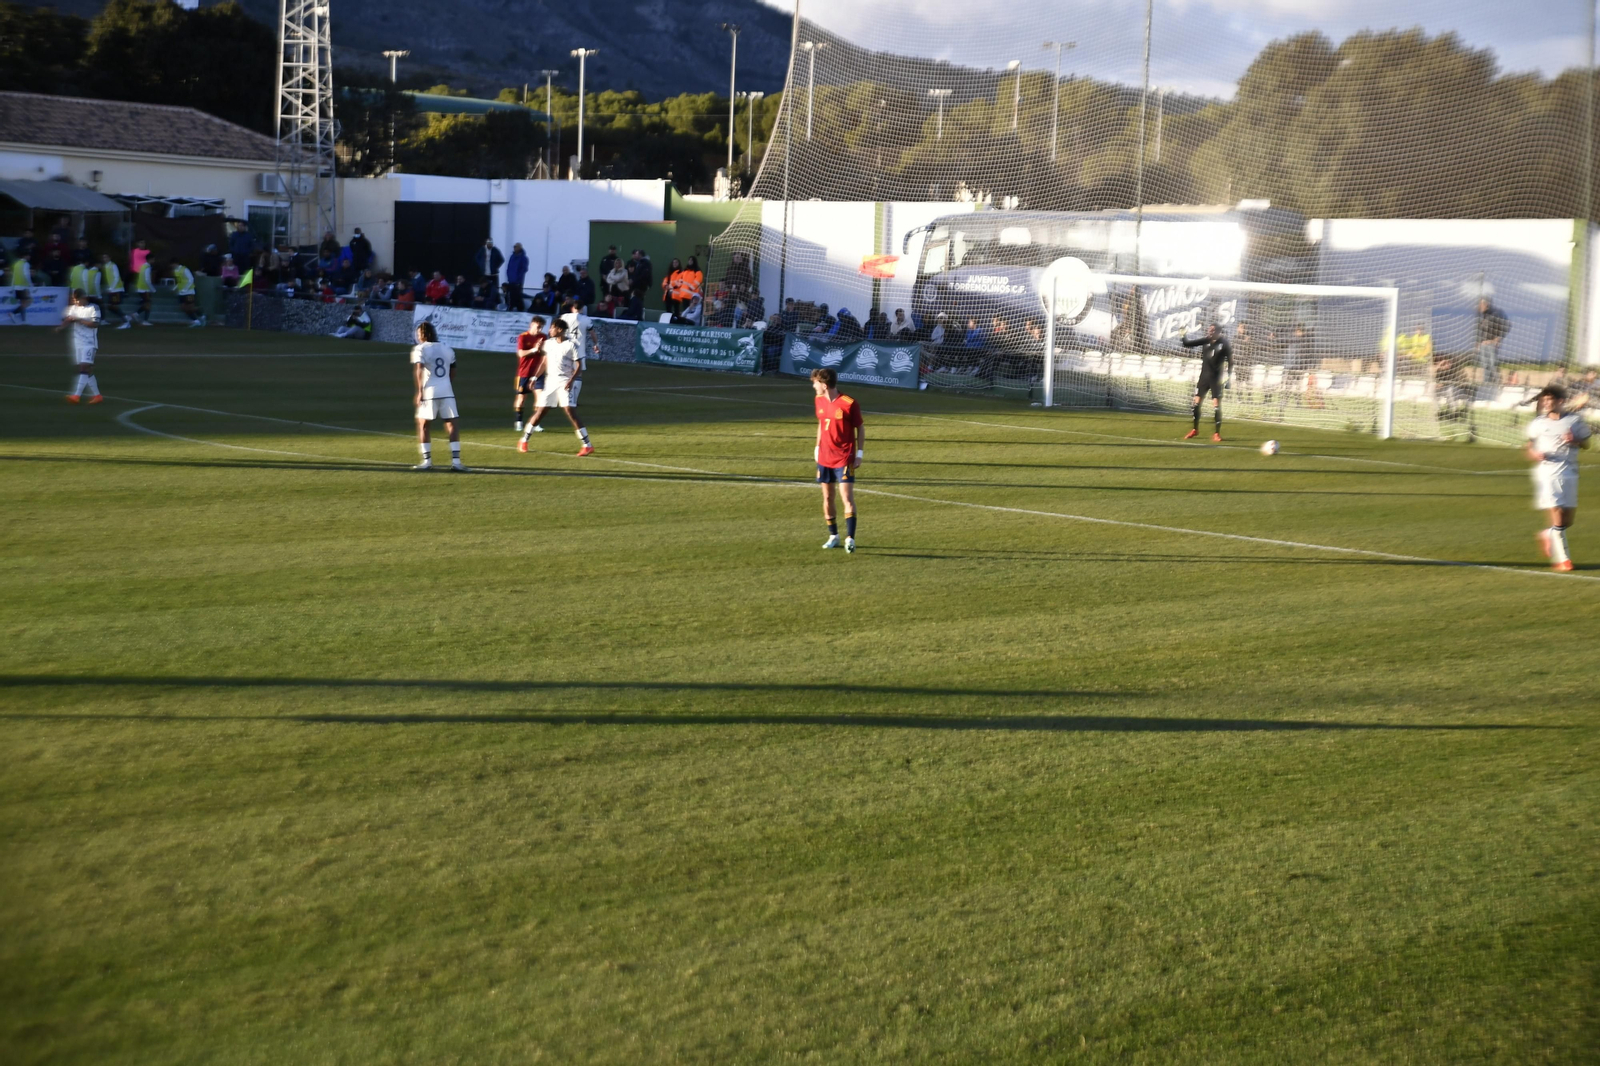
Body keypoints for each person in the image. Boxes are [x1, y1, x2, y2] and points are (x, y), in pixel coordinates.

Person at [1526, 384, 1592, 572]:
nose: (1546, 403)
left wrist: (1575, 440)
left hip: (1570, 472)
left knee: (1566, 521)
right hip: (1547, 473)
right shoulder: (1538, 423)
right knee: (1558, 515)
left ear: (1560, 401)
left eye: (1550, 399)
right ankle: (1564, 560)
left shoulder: (1575, 421)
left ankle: (1548, 533)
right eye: (1544, 400)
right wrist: (1534, 454)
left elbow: (1587, 444)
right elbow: (1530, 445)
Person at [517, 319, 593, 456]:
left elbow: (579, 365)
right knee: (541, 411)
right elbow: (544, 362)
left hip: (564, 381)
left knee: (570, 410)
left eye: (552, 328)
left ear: (560, 330)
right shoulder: (548, 343)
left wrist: (571, 380)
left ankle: (587, 445)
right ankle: (524, 440)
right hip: (550, 382)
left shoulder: (571, 345)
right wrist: (534, 378)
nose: (549, 330)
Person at [812, 366, 863, 553]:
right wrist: (817, 447)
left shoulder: (849, 403)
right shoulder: (819, 400)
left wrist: (860, 454)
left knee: (847, 498)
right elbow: (821, 423)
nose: (814, 386)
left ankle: (850, 538)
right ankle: (833, 535)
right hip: (824, 457)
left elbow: (860, 428)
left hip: (844, 458)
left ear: (824, 385)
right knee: (827, 497)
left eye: (816, 383)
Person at [410, 321, 465, 472]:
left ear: (422, 334)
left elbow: (419, 370)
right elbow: (453, 371)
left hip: (429, 392)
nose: (417, 336)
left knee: (424, 425)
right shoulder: (447, 349)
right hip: (447, 391)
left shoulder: (420, 349)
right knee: (452, 425)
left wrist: (420, 391)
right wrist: (446, 383)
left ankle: (427, 461)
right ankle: (456, 462)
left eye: (418, 334)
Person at [1180, 322, 1232, 441]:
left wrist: (1229, 378)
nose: (1210, 332)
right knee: (1196, 404)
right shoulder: (1205, 341)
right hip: (1204, 378)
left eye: (1213, 330)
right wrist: (1183, 335)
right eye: (1209, 330)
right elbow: (1187, 344)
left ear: (1218, 332)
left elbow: (1230, 361)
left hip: (1216, 380)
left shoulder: (1224, 344)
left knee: (1216, 406)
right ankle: (1195, 429)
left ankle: (1216, 433)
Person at [57, 289, 103, 404]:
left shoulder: (94, 308)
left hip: (89, 343)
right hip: (77, 342)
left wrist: (79, 320)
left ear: (84, 298)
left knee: (83, 367)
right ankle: (97, 396)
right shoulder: (73, 308)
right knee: (86, 370)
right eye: (74, 300)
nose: (76, 302)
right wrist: (61, 327)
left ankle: (76, 396)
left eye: (77, 300)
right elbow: (68, 319)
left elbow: (95, 324)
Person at [513, 315, 548, 432]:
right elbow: (520, 353)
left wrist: (540, 349)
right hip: (524, 372)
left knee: (540, 397)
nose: (539, 330)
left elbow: (544, 353)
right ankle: (518, 422)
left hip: (537, 372)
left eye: (541, 327)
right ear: (532, 325)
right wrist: (533, 349)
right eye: (538, 327)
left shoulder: (543, 337)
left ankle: (535, 423)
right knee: (521, 398)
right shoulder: (523, 337)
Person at [98, 253, 127, 328]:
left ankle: (125, 320)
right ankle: (125, 318)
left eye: (106, 257)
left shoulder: (113, 265)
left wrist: (112, 288)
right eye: (104, 257)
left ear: (110, 258)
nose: (105, 259)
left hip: (116, 289)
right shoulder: (105, 266)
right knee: (110, 306)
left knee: (113, 306)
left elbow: (116, 277)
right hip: (112, 289)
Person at [8, 251, 32, 323]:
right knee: (27, 303)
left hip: (17, 287)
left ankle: (23, 320)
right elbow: (26, 275)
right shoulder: (26, 264)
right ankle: (13, 313)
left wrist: (12, 287)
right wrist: (31, 285)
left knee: (22, 303)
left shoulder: (16, 264)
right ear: (25, 256)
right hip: (23, 286)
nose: (29, 257)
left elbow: (14, 276)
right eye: (28, 255)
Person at [504, 242, 529, 311]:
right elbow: (509, 267)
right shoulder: (512, 257)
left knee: (518, 296)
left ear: (520, 248)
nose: (514, 248)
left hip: (518, 282)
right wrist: (508, 276)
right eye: (514, 247)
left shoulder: (523, 258)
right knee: (511, 296)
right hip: (511, 281)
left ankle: (520, 309)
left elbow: (524, 269)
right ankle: (510, 308)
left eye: (516, 247)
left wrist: (518, 279)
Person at [133, 255, 157, 325]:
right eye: (153, 259)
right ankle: (143, 319)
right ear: (150, 259)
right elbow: (147, 280)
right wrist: (153, 289)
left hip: (141, 288)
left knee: (147, 304)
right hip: (145, 289)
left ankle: (138, 315)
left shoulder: (143, 266)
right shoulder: (147, 267)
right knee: (148, 304)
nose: (154, 261)